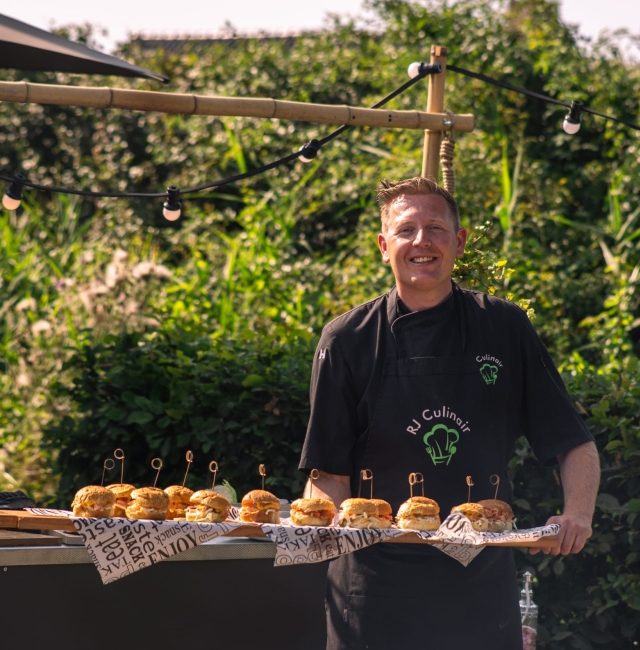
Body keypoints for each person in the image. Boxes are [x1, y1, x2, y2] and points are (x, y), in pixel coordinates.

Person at [298, 176, 600, 650]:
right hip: (373, 589)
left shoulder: (503, 326)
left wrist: (576, 514)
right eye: (406, 230)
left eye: (436, 228)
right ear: (383, 246)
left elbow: (573, 441)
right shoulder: (347, 340)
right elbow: (328, 473)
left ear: (458, 242)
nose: (422, 241)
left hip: (477, 585)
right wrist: (319, 521)